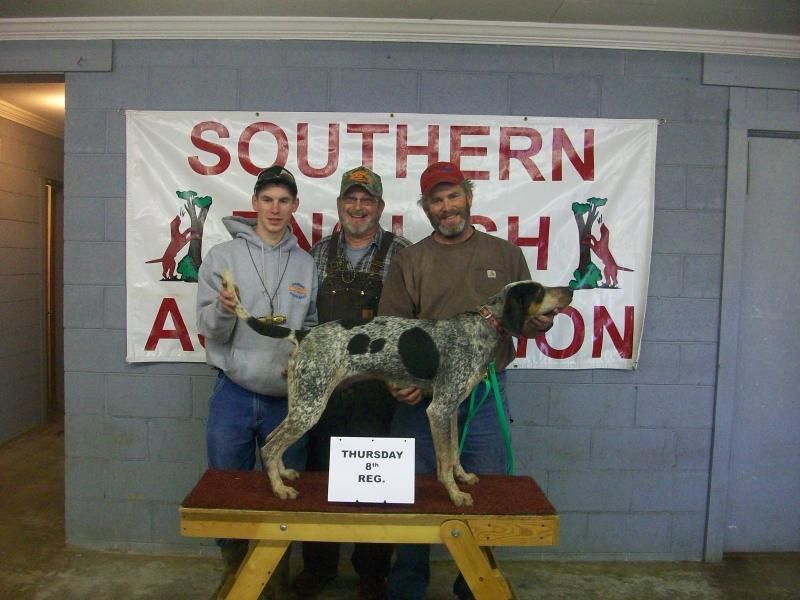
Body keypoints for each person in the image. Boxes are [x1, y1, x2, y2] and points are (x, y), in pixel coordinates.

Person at [377, 162, 557, 600]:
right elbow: (389, 331)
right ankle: (407, 590)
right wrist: (396, 381)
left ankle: (473, 589)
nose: (447, 207)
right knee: (412, 495)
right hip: (424, 399)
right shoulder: (410, 261)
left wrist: (540, 323)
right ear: (427, 208)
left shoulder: (505, 255)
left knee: (487, 495)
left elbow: (522, 321)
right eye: (436, 201)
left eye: (453, 196)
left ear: (468, 196)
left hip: (484, 396)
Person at [196, 165, 318, 592]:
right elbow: (209, 329)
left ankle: (273, 582)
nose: (275, 209)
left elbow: (312, 327)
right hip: (234, 392)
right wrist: (224, 309)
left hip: (287, 400)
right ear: (254, 203)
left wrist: (302, 360)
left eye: (283, 201)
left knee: (283, 493)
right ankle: (235, 575)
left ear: (295, 206)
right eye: (267, 199)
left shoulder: (306, 264)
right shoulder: (222, 257)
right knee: (226, 488)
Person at [292, 166, 411, 600]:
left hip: (379, 393)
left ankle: (372, 574)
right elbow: (305, 317)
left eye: (367, 200)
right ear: (340, 204)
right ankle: (318, 567)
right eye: (351, 198)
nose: (358, 207)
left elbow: (415, 321)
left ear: (380, 207)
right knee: (318, 478)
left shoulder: (404, 254)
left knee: (375, 484)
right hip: (326, 389)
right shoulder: (318, 254)